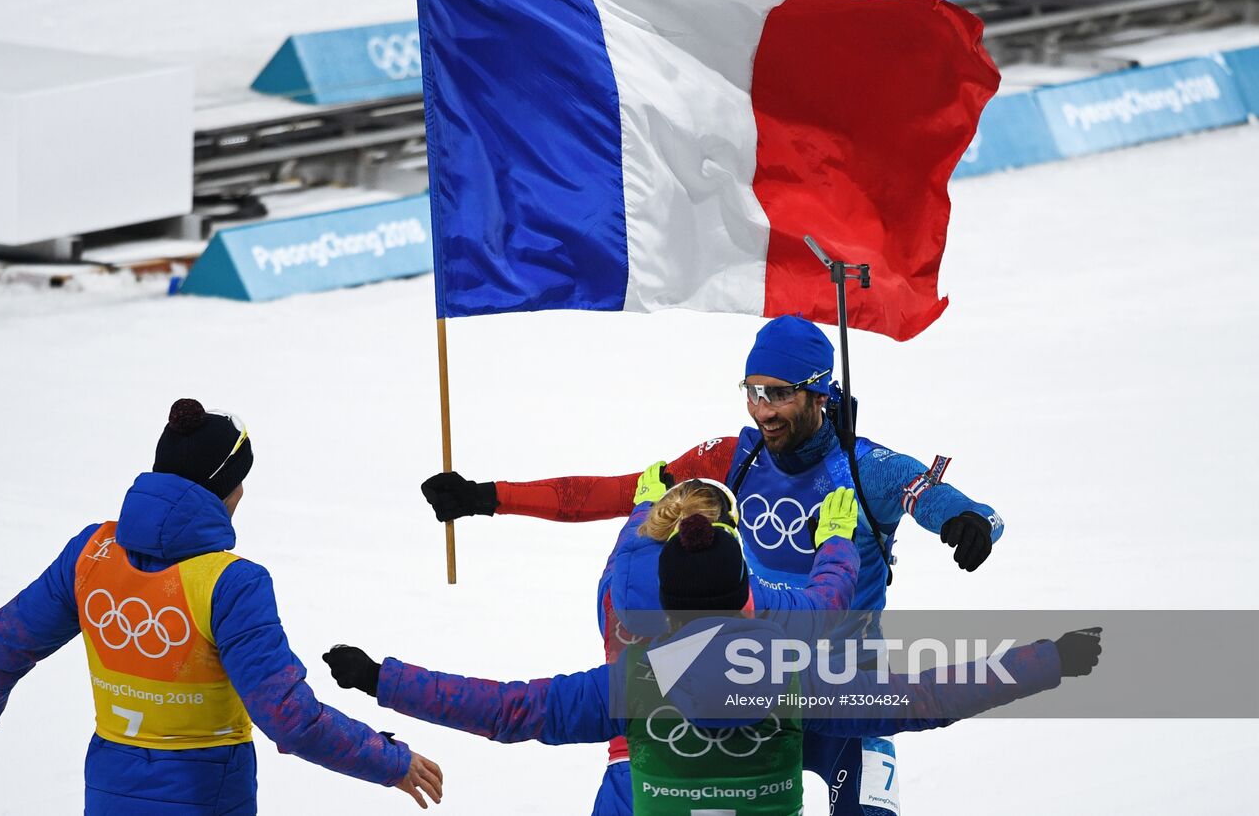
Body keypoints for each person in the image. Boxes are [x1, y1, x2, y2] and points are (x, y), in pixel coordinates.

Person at [420, 314, 1006, 815]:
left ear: (819, 393)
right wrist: (489, 497)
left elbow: (933, 496)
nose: (762, 410)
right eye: (753, 392)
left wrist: (965, 521)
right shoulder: (735, 456)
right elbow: (624, 492)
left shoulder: (865, 468)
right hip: (747, 686)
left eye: (778, 394)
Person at [324, 504, 1101, 816]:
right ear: (747, 600)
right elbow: (928, 698)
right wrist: (1046, 661)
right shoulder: (800, 677)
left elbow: (504, 709)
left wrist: (382, 678)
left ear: (664, 611)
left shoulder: (634, 681)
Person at [0, 399, 443, 814]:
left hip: (109, 790)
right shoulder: (232, 584)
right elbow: (290, 717)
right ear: (228, 487)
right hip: (207, 796)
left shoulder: (91, 552)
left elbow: (5, 636)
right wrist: (389, 761)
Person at [591, 476, 861, 815]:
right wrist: (835, 542)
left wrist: (642, 509)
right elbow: (822, 609)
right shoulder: (744, 598)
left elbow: (624, 556)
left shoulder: (616, 594)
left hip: (627, 780)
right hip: (735, 775)